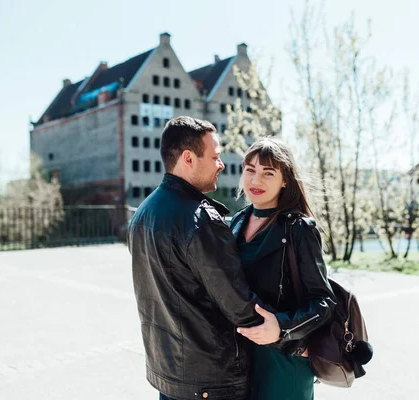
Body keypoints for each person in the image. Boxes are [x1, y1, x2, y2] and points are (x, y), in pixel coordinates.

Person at [127, 117, 281, 400]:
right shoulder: (201, 220)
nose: (221, 165)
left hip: (168, 377)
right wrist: (290, 330)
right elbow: (240, 307)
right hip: (212, 382)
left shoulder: (141, 214)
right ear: (188, 158)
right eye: (215, 156)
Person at [231, 137, 337, 400]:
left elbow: (324, 302)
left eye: (268, 173)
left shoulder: (300, 229)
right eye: (250, 170)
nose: (256, 181)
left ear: (285, 180)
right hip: (239, 358)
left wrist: (281, 327)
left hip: (284, 360)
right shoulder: (234, 223)